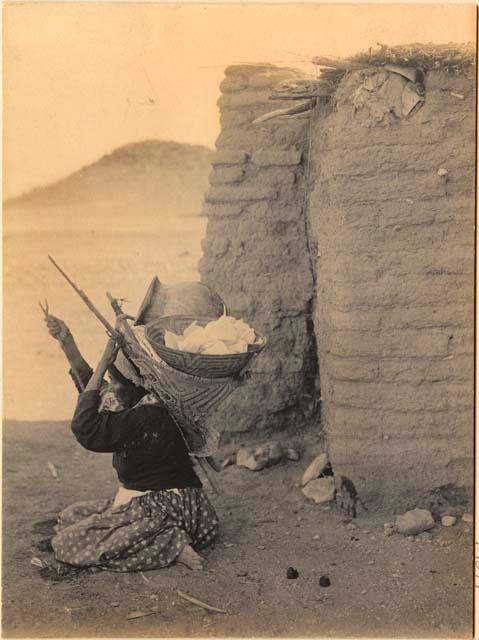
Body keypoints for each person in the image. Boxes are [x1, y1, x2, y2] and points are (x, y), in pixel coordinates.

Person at [45, 316, 219, 571]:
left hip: (170, 508)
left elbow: (85, 426)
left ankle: (172, 542)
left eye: (115, 384)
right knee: (69, 517)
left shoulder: (147, 416)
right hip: (150, 500)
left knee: (67, 543)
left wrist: (105, 361)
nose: (110, 391)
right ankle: (164, 536)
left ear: (137, 385)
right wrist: (67, 343)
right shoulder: (138, 403)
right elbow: (92, 388)